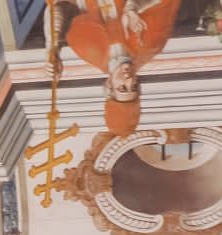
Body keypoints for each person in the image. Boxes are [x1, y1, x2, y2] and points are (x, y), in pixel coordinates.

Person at [51, 0, 181, 135]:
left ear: (109, 85)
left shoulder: (89, 52)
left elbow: (60, 6)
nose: (129, 80)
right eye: (134, 87)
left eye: (122, 88)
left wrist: (53, 47)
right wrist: (132, 8)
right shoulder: (151, 45)